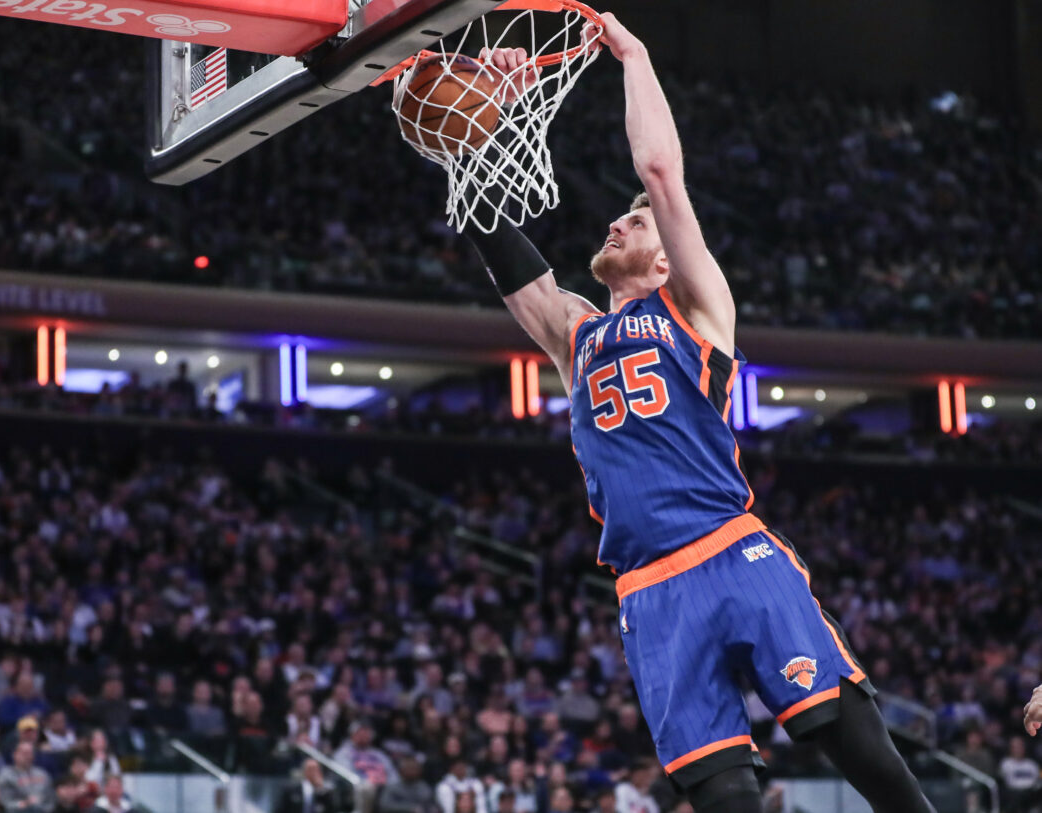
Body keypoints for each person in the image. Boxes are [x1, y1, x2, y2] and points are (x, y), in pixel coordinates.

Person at [402, 15, 935, 813]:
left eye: (636, 224)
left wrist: (636, 56)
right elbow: (498, 242)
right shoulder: (574, 332)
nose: (618, 222)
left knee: (859, 748)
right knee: (722, 796)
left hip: (731, 550)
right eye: (619, 220)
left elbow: (658, 170)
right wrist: (466, 130)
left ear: (662, 258)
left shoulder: (698, 308)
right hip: (649, 588)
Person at [0, 742, 53, 813]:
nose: (28, 757)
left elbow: (51, 798)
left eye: (30, 753)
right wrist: (24, 804)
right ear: (15, 755)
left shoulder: (42, 774)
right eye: (24, 753)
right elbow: (4, 801)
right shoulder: (6, 775)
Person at [280, 758, 344, 813]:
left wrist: (322, 790)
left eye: (316, 769)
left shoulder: (325, 792)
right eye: (311, 769)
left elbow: (332, 809)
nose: (314, 772)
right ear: (305, 771)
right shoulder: (292, 790)